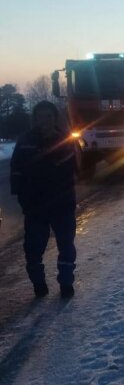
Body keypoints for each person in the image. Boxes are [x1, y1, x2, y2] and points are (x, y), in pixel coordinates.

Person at [10, 101, 78, 298]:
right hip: (35, 205)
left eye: (48, 116)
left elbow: (69, 167)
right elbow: (16, 170)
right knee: (33, 248)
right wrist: (22, 198)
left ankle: (66, 284)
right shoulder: (25, 141)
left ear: (55, 118)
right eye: (40, 116)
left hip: (62, 203)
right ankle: (38, 284)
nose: (44, 121)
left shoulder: (65, 140)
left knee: (66, 245)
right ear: (35, 118)